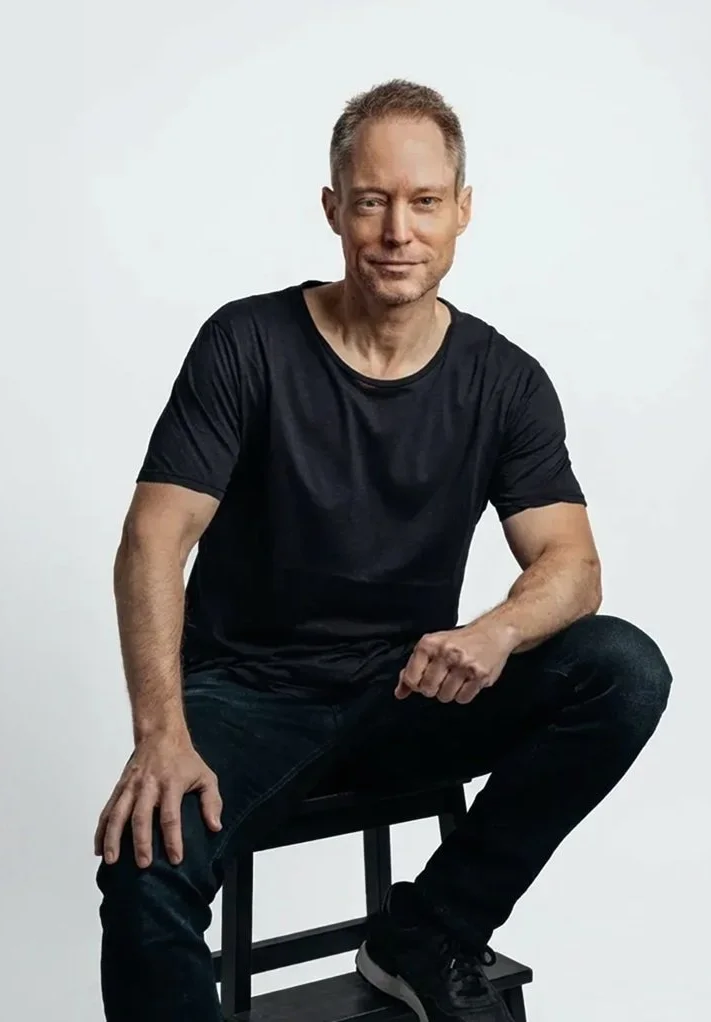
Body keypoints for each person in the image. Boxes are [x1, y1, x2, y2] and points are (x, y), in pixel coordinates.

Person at [94, 78, 673, 1022]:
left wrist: (493, 632)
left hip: (403, 696)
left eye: (424, 202)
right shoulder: (247, 343)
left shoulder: (505, 381)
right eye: (372, 201)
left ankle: (427, 929)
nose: (398, 230)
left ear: (462, 212)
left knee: (622, 670)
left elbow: (574, 565)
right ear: (334, 210)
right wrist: (161, 735)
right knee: (141, 858)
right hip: (247, 699)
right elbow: (153, 537)